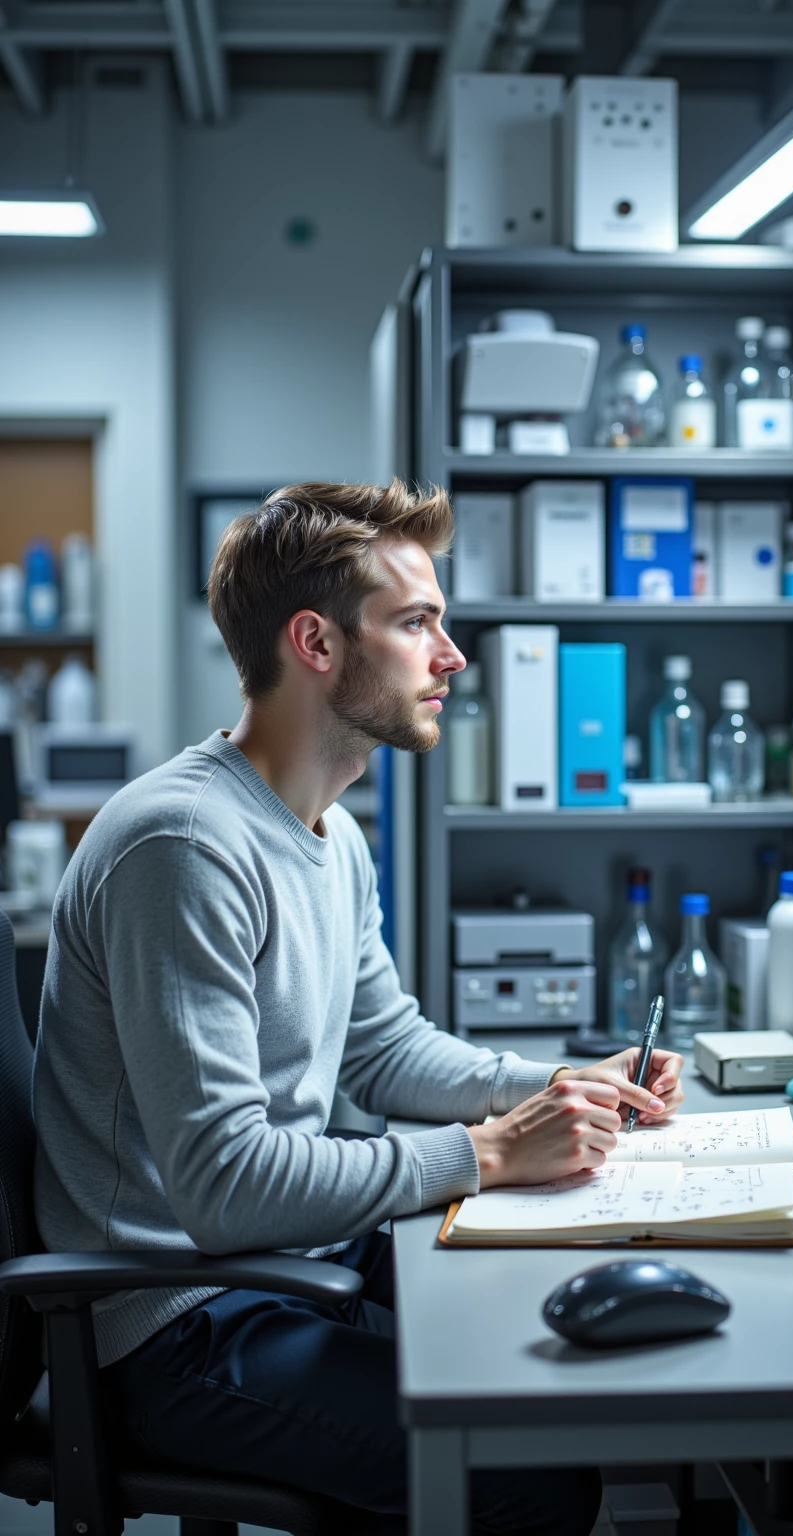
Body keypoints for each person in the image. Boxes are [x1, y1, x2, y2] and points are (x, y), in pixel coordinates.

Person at [32, 481, 685, 1535]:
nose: (453, 656)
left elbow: (384, 1054)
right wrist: (483, 1154)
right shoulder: (185, 846)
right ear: (316, 644)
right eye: (417, 622)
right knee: (532, 1480)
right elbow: (226, 1187)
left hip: (278, 1267)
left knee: (556, 1360)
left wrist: (561, 1084)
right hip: (176, 1325)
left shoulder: (331, 833)